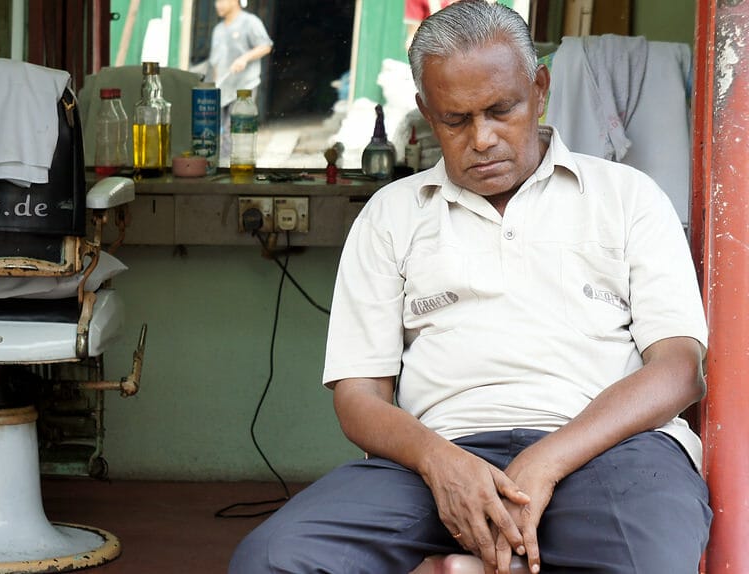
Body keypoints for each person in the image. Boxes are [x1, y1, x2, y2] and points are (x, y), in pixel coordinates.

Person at [228, 1, 711, 573]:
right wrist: (441, 462)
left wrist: (546, 460)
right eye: (455, 120)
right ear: (426, 113)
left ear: (540, 89)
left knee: (647, 562)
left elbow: (678, 370)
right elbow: (358, 398)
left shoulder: (627, 197)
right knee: (273, 559)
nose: (482, 139)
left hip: (610, 450)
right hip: (436, 457)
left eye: (501, 110)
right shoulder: (391, 215)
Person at [207, 0, 272, 158]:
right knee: (219, 134)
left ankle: (235, 167)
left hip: (244, 88)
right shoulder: (218, 30)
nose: (217, 5)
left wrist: (244, 58)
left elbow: (265, 46)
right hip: (223, 89)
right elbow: (215, 64)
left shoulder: (250, 22)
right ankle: (224, 166)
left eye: (221, 1)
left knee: (236, 131)